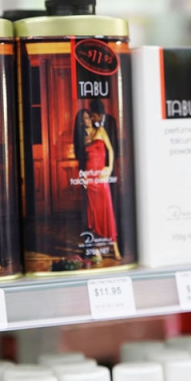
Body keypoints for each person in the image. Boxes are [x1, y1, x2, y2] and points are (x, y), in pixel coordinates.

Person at [73, 109, 120, 261]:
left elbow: (111, 150)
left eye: (88, 117)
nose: (86, 120)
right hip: (89, 178)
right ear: (80, 122)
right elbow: (81, 162)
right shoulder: (83, 139)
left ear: (91, 118)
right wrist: (83, 177)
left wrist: (109, 168)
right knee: (93, 215)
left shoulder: (100, 131)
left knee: (107, 211)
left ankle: (115, 247)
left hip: (101, 176)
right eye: (83, 119)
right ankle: (97, 249)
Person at [89, 99, 117, 167]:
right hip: (96, 161)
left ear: (100, 115)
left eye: (94, 116)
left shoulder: (111, 121)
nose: (92, 118)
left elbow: (113, 143)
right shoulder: (91, 123)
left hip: (108, 159)